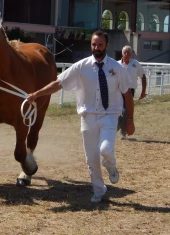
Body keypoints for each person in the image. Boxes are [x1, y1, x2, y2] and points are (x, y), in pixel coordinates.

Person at [27, 30, 135, 203]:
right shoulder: (81, 66)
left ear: (106, 45)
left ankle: (111, 165)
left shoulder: (117, 68)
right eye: (94, 44)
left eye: (100, 45)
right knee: (91, 159)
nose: (97, 48)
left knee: (105, 149)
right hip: (88, 117)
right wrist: (36, 94)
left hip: (110, 115)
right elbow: (58, 83)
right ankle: (99, 191)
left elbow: (127, 95)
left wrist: (129, 120)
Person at [117, 45, 147, 140]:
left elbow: (143, 76)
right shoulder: (117, 64)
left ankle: (121, 131)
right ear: (122, 53)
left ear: (131, 54)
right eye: (125, 52)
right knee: (118, 111)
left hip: (130, 90)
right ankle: (117, 128)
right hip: (118, 90)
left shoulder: (135, 64)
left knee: (126, 111)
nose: (126, 54)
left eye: (128, 52)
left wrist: (143, 91)